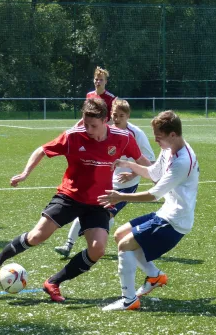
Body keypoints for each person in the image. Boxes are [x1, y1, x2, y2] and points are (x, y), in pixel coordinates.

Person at [0, 98, 151, 302]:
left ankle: (53, 282)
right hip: (70, 195)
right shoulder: (74, 136)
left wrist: (163, 177)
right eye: (85, 124)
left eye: (93, 125)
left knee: (98, 249)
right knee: (37, 236)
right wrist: (24, 173)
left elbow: (144, 163)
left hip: (98, 202)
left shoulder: (123, 138)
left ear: (105, 121)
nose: (88, 129)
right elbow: (42, 150)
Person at [98, 110, 199, 311]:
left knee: (126, 245)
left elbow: (154, 194)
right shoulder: (168, 149)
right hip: (166, 212)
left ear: (173, 135)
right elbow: (153, 174)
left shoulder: (182, 161)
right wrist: (128, 164)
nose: (155, 140)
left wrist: (120, 196)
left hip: (175, 222)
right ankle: (154, 276)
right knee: (120, 235)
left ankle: (129, 300)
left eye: (159, 137)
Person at [54, 99, 156, 258]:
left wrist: (132, 174)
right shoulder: (105, 131)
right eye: (114, 115)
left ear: (128, 116)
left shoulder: (136, 134)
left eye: (121, 116)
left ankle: (74, 246)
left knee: (101, 214)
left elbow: (149, 160)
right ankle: (72, 244)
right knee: (92, 210)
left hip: (127, 186)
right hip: (106, 182)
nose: (117, 119)